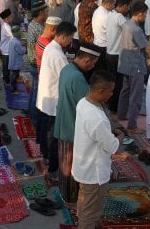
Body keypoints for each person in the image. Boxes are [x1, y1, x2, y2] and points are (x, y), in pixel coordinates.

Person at [72, 70, 124, 229]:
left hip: (83, 166)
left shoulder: (83, 102)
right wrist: (120, 136)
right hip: (94, 172)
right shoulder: (98, 118)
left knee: (84, 204)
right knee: (90, 212)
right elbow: (112, 147)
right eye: (111, 91)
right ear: (101, 91)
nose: (111, 94)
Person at [54, 43, 100, 206]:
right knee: (71, 164)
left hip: (63, 121)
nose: (93, 66)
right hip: (71, 126)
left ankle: (65, 193)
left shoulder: (68, 69)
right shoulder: (77, 78)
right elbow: (88, 104)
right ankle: (70, 199)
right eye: (93, 62)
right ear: (87, 59)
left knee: (65, 161)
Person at [37, 21, 76, 182]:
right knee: (55, 137)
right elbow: (67, 77)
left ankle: (45, 156)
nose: (70, 42)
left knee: (46, 131)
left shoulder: (51, 48)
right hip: (53, 101)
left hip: (45, 98)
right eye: (70, 38)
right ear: (63, 36)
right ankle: (53, 168)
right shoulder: (57, 54)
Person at [117, 2, 148, 134]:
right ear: (140, 13)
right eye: (145, 14)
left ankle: (121, 114)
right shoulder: (136, 28)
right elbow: (144, 46)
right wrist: (149, 60)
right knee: (136, 96)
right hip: (135, 65)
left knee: (125, 91)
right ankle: (132, 124)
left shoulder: (126, 24)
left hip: (125, 63)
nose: (146, 16)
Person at [7, 25, 26, 94]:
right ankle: (13, 90)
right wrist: (24, 47)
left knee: (13, 76)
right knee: (14, 77)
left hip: (12, 62)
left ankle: (14, 88)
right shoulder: (17, 42)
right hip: (16, 63)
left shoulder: (12, 41)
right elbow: (21, 51)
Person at [0, 9, 13, 86]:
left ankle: (6, 79)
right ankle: (6, 81)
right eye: (10, 17)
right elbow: (12, 37)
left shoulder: (5, 25)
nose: (12, 18)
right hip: (6, 50)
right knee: (6, 66)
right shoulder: (7, 27)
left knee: (6, 65)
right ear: (7, 19)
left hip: (5, 49)